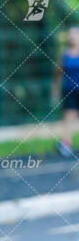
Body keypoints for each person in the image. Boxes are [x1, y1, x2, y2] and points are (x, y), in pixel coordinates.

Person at [52, 26, 79, 158]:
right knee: (69, 117)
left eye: (75, 34)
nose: (72, 37)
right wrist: (55, 91)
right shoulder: (64, 54)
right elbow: (57, 74)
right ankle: (66, 144)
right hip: (69, 91)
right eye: (71, 34)